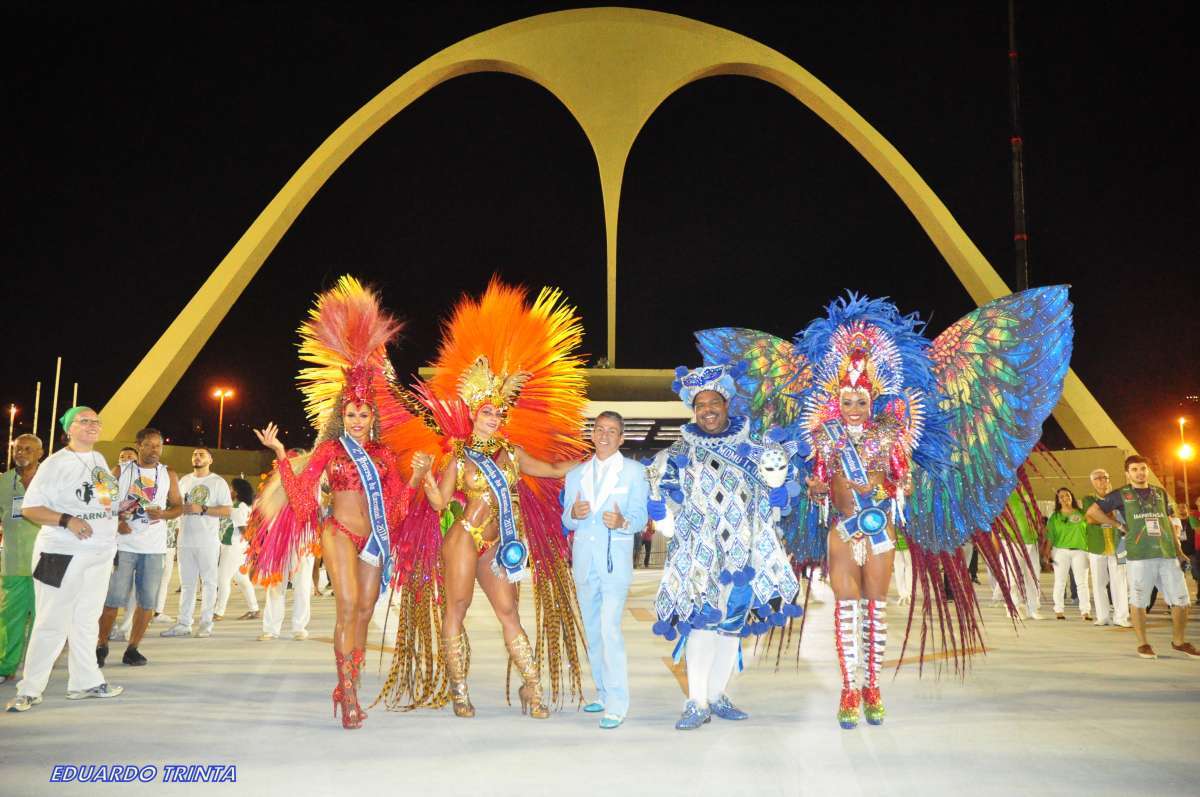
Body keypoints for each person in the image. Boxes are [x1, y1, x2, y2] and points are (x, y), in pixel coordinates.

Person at [775, 289, 1071, 729]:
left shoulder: (893, 437)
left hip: (879, 529)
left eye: (861, 402)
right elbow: (819, 488)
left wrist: (903, 483)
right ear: (836, 401)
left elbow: (902, 482)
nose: (854, 408)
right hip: (841, 529)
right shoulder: (824, 438)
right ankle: (847, 689)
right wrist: (817, 487)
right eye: (847, 401)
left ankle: (872, 684)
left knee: (874, 607)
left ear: (872, 401)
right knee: (845, 605)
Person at [378, 280, 587, 722]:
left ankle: (532, 687)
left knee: (509, 611)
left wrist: (594, 461)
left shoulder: (513, 454)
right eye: (486, 411)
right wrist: (423, 478)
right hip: (463, 538)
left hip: (499, 544)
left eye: (497, 412)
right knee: (457, 608)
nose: (492, 417)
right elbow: (438, 501)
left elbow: (550, 470)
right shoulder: (458, 453)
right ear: (474, 413)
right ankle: (459, 689)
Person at [247, 276, 418, 729]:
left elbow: (397, 508)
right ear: (341, 416)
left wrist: (418, 476)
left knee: (365, 608)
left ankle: (349, 683)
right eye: (351, 413)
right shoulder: (331, 450)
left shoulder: (384, 456)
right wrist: (283, 458)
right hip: (338, 532)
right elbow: (305, 501)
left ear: (373, 416)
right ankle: (349, 695)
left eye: (364, 414)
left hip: (373, 540)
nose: (358, 419)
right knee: (346, 605)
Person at [647, 364, 800, 730]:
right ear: (693, 409)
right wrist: (660, 512)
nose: (707, 410)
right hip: (699, 554)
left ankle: (716, 695)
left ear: (727, 403)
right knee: (702, 624)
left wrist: (780, 493)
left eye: (714, 402)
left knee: (732, 625)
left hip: (745, 554)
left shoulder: (756, 445)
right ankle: (696, 701)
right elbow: (666, 503)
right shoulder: (680, 451)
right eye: (700, 405)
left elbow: (780, 491)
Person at [5, 407, 123, 712]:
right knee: (51, 622)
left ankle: (85, 681)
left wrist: (122, 509)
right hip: (61, 554)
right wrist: (66, 519)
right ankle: (29, 688)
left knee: (86, 620)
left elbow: (104, 501)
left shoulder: (98, 460)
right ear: (68, 429)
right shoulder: (56, 464)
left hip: (98, 554)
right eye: (84, 421)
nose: (92, 426)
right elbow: (31, 509)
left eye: (96, 421)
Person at [561, 410, 648, 729]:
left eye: (612, 430)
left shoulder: (634, 472)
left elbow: (640, 518)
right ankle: (601, 690)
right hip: (584, 563)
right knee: (594, 631)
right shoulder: (575, 475)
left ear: (621, 437)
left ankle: (617, 702)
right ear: (593, 434)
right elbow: (566, 521)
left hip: (615, 563)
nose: (605, 435)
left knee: (610, 629)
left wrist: (623, 522)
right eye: (600, 429)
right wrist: (574, 512)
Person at [1086, 455, 1198, 659]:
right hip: (1139, 556)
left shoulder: (1159, 492)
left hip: (1166, 554)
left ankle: (1179, 641)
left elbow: (1168, 522)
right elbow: (1093, 511)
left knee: (1182, 601)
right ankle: (1143, 643)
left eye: (1143, 468)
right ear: (1128, 473)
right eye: (1135, 469)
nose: (1140, 473)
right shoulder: (1121, 494)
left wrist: (1179, 551)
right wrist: (1118, 525)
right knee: (1139, 601)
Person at [96, 427, 181, 668]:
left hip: (153, 548)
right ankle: (101, 645)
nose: (155, 450)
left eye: (159, 446)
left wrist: (163, 513)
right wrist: (117, 520)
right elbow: (101, 502)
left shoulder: (168, 474)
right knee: (113, 599)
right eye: (150, 445)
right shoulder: (121, 471)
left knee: (147, 602)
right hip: (123, 546)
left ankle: (133, 648)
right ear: (139, 445)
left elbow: (178, 507)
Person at [160, 448, 231, 639]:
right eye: (194, 455)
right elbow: (176, 506)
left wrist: (203, 508)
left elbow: (226, 510)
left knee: (209, 583)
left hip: (208, 541)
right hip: (185, 540)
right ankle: (184, 623)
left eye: (201, 455)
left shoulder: (218, 482)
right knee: (187, 584)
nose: (197, 457)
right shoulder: (184, 481)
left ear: (210, 459)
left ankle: (206, 623)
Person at [0, 434, 43, 683]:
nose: (21, 453)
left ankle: (37, 669)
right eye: (17, 449)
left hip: (48, 562)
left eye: (28, 449)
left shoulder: (52, 481)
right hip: (14, 562)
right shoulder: (5, 482)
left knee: (44, 618)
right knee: (9, 618)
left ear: (40, 453)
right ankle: (6, 666)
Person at [1082, 469, 1130, 627]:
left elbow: (1098, 515)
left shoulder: (1118, 496)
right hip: (1097, 545)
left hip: (1118, 544)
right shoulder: (1088, 499)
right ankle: (1103, 616)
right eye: (1098, 478)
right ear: (1092, 482)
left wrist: (1101, 515)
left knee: (1120, 581)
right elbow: (1089, 518)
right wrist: (1109, 515)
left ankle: (1121, 616)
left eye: (1105, 478)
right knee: (1098, 582)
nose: (1102, 481)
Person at [213, 477, 259, 622]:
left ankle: (218, 612)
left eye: (231, 488)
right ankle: (254, 609)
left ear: (237, 491)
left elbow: (244, 530)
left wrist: (255, 547)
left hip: (233, 546)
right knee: (241, 579)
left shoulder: (239, 507)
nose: (229, 491)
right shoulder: (242, 506)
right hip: (237, 546)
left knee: (222, 578)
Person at [1046, 487, 1092, 621]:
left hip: (1080, 551)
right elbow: (1050, 536)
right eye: (1061, 497)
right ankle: (1059, 610)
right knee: (1060, 582)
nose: (1065, 498)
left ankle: (1085, 611)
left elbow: (1089, 532)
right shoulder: (1055, 517)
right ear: (1058, 500)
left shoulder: (1082, 514)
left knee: (1082, 583)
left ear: (1071, 497)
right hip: (1060, 552)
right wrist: (1047, 553)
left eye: (1067, 495)